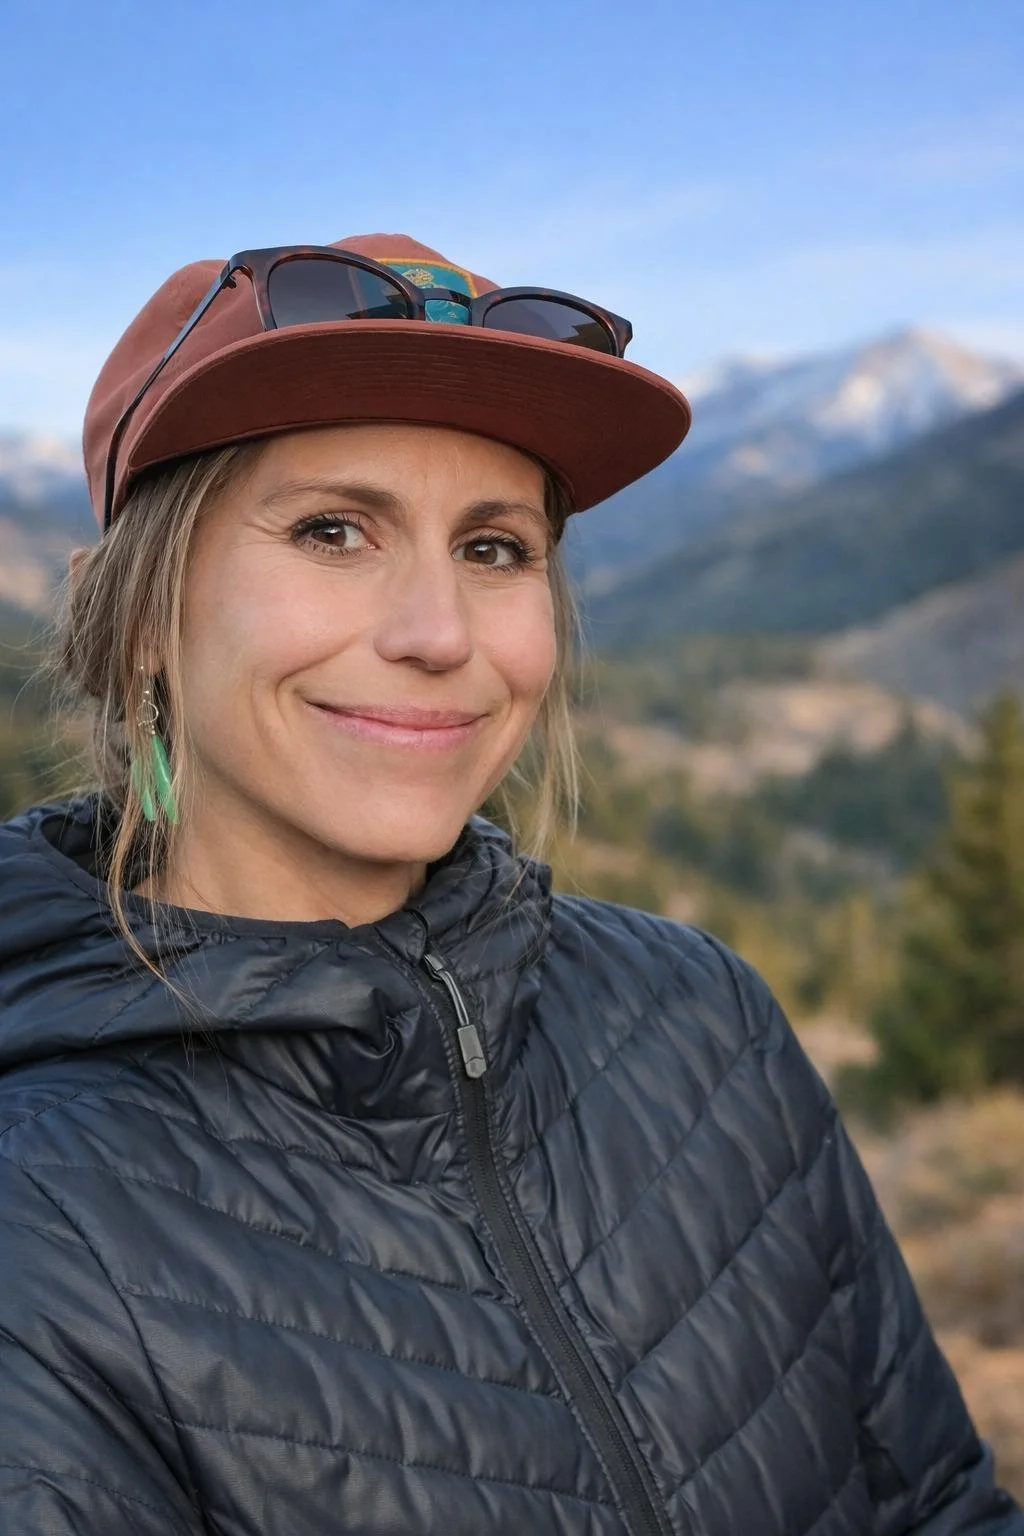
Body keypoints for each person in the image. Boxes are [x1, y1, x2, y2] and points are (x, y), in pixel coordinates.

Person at [0, 233, 1019, 1536]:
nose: (438, 632)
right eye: (333, 529)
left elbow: (936, 1506)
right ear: (133, 616)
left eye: (495, 549)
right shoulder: (40, 1212)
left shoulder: (701, 1015)